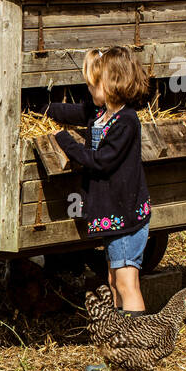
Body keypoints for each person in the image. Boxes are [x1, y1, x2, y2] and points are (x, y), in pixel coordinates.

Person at [48, 46, 152, 314]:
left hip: (126, 217)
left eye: (94, 84)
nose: (90, 90)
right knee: (113, 280)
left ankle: (136, 342)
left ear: (112, 84)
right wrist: (45, 109)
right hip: (113, 213)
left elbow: (101, 160)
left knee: (127, 282)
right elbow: (73, 112)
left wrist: (66, 143)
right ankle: (122, 337)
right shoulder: (102, 114)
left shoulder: (126, 122)